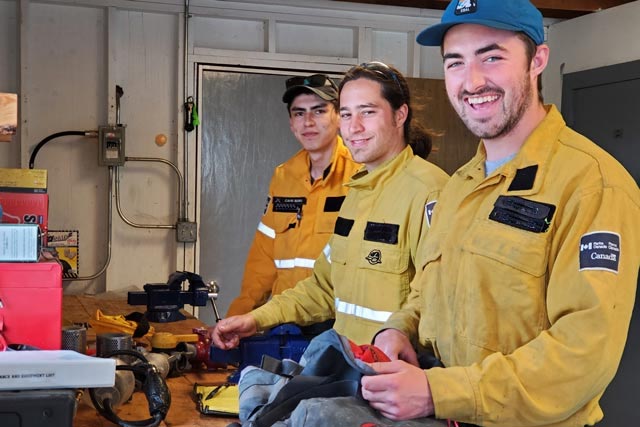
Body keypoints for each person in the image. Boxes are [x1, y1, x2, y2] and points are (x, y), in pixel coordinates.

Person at [364, 1, 640, 426]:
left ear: (538, 60)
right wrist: (399, 329)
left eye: (491, 57)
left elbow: (584, 352)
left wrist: (441, 392)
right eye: (455, 63)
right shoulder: (460, 185)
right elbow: (429, 290)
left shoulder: (592, 184)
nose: (472, 82)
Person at [210, 62, 449, 346]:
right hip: (349, 362)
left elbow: (439, 295)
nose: (354, 127)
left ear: (400, 115)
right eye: (347, 114)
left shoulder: (429, 190)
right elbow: (323, 287)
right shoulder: (358, 191)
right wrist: (255, 318)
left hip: (399, 371)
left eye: (368, 112)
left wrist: (397, 334)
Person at [226, 74, 359, 317]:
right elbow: (263, 256)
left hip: (336, 323)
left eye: (318, 111)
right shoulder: (284, 177)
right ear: (291, 123)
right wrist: (240, 315)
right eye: (299, 113)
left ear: (339, 117)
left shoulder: (361, 176)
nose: (308, 122)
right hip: (285, 320)